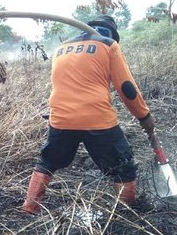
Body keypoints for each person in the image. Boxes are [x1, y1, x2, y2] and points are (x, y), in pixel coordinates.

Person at [21, 15, 156, 214]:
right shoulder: (108, 44)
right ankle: (128, 214)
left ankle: (28, 209)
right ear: (112, 32)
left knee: (47, 162)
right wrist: (145, 117)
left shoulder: (61, 48)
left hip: (61, 120)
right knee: (123, 167)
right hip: (98, 120)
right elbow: (127, 88)